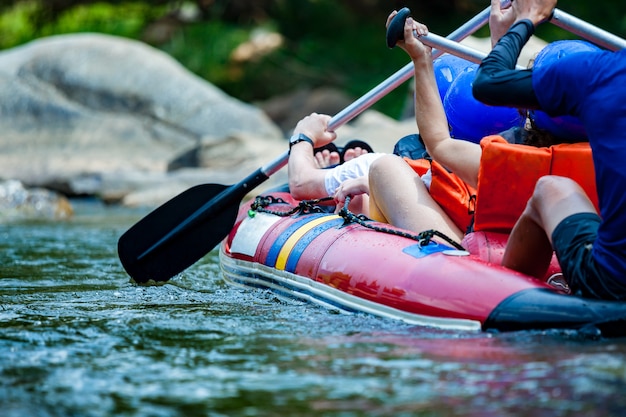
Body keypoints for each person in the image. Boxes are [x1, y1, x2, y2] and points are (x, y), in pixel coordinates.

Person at [470, 0, 626, 301]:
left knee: (550, 188)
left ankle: (508, 300)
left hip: (613, 281)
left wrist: (524, 22)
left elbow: (488, 85)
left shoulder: (599, 74)